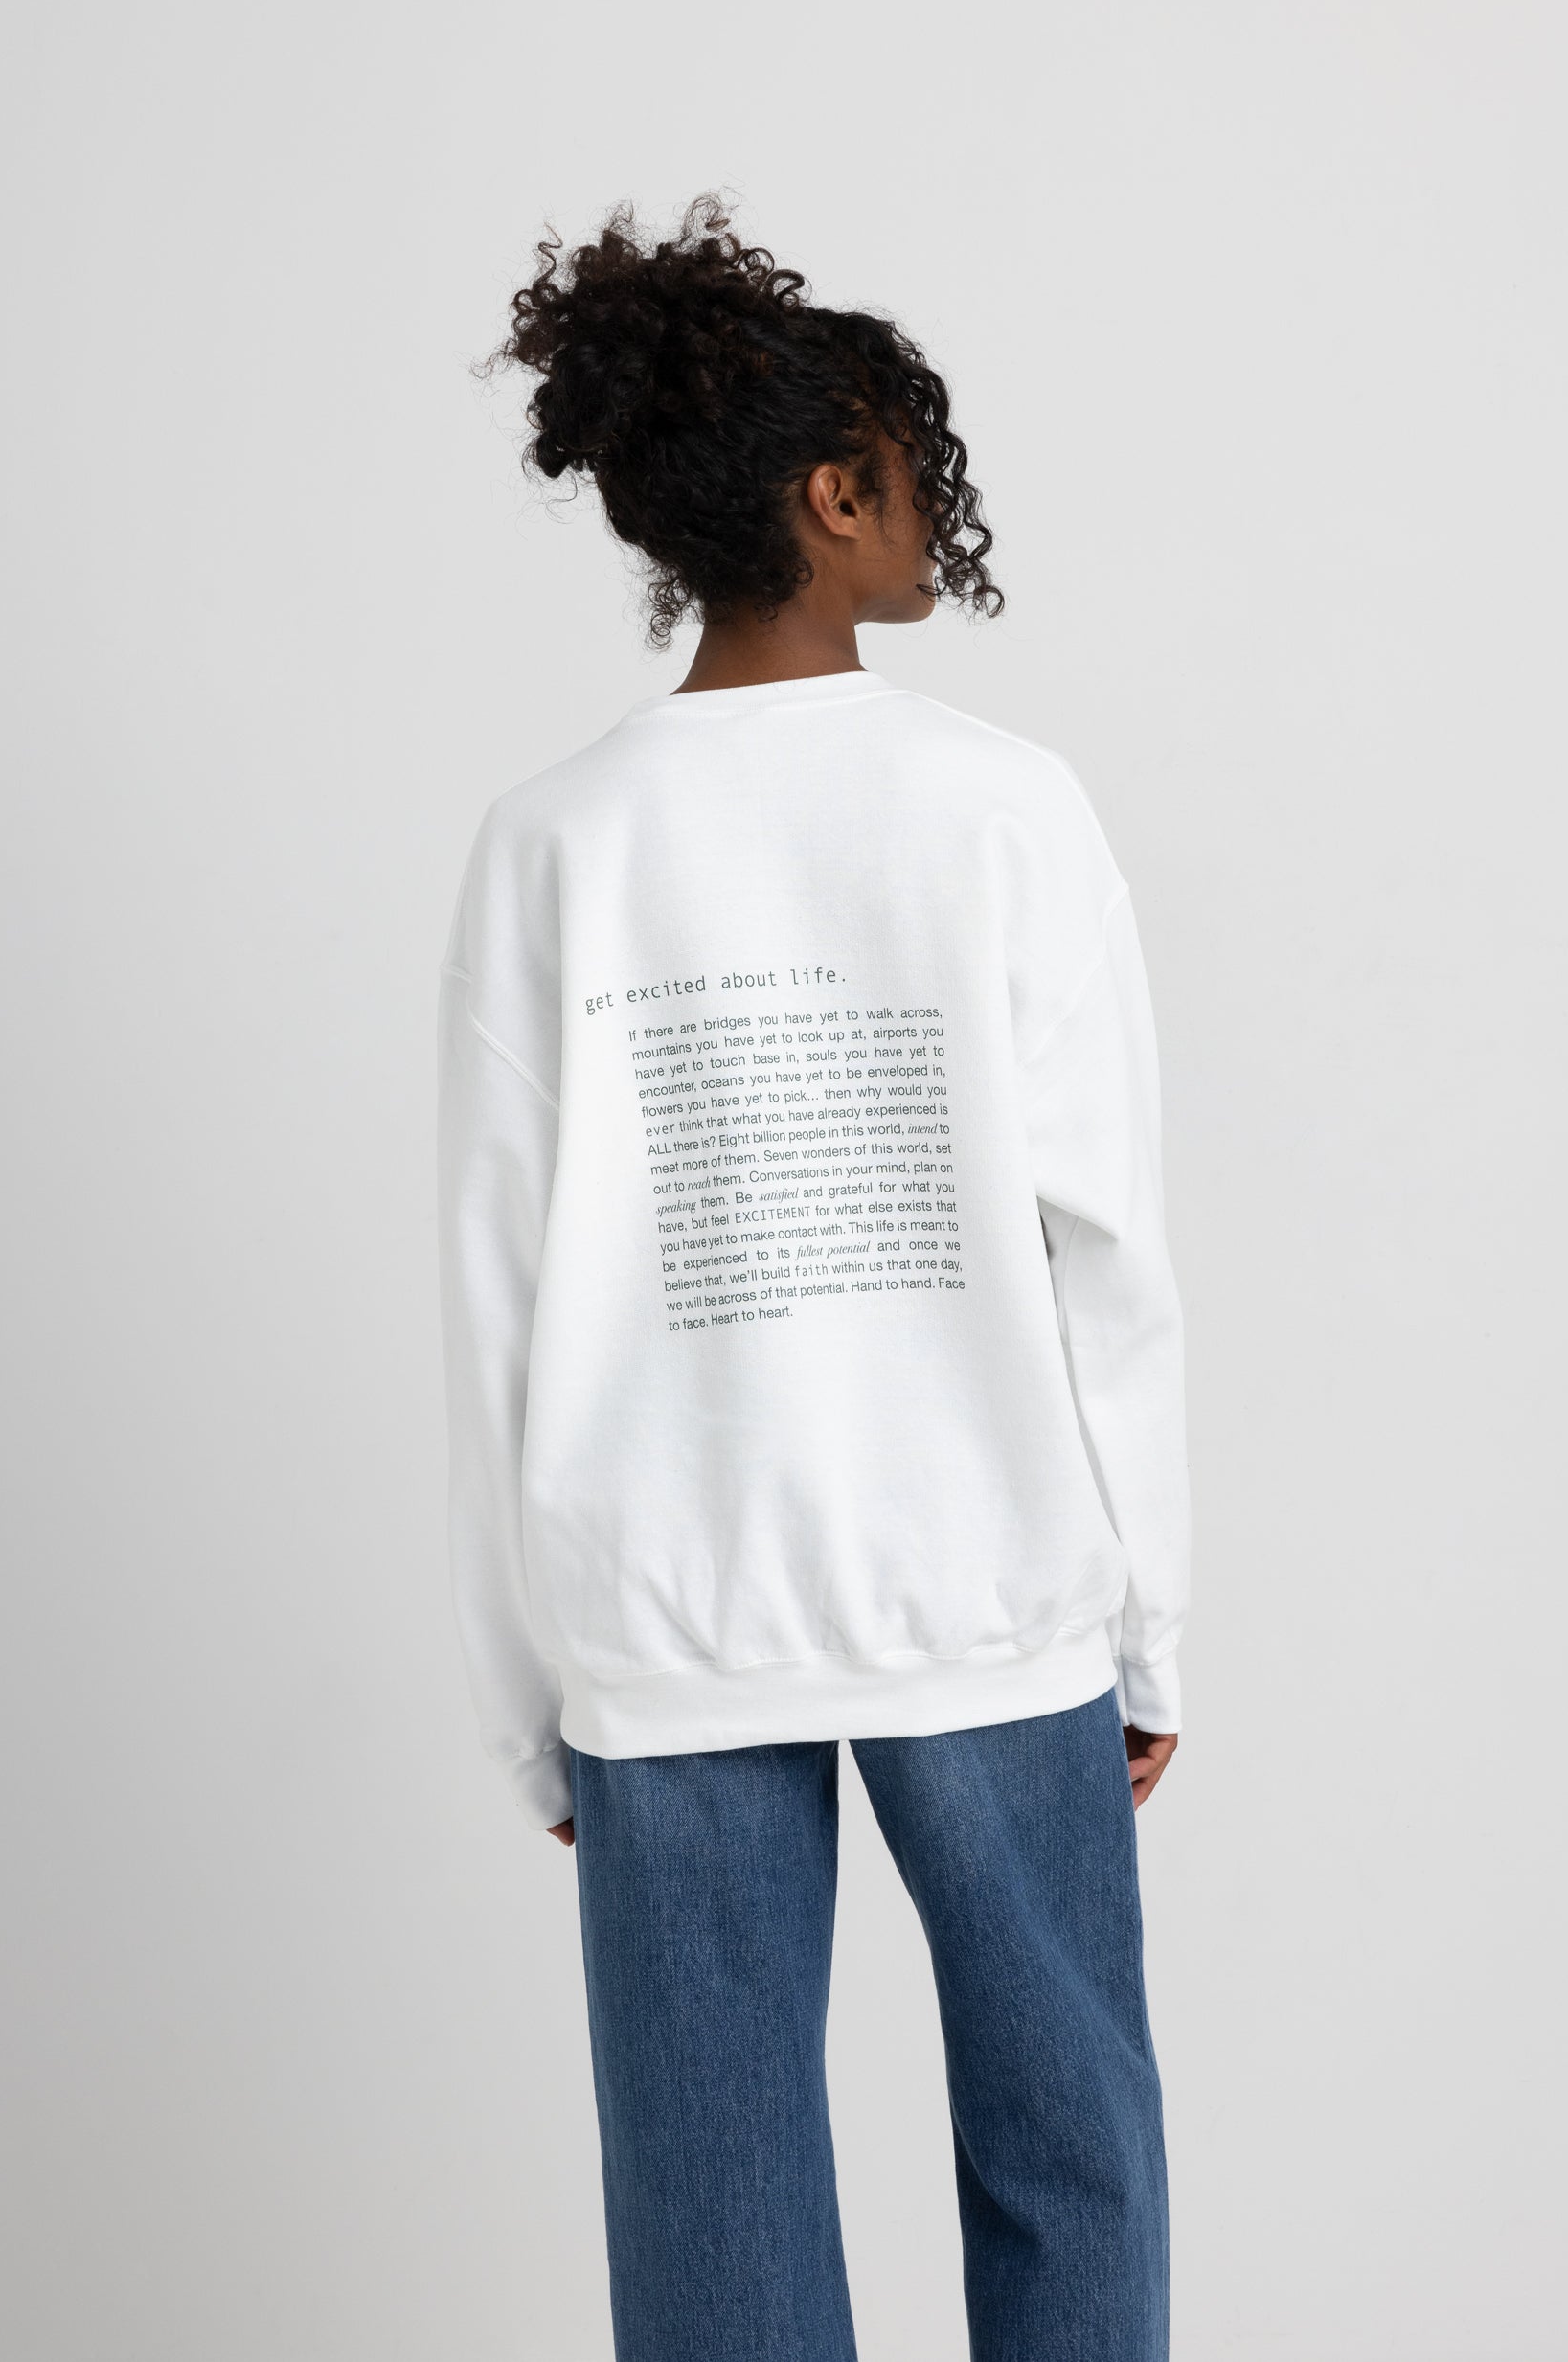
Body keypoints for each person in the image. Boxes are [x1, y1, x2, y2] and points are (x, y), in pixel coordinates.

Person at [438, 195, 1190, 2362]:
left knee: (710, 2180)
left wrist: (531, 1694)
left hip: (662, 1602)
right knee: (1069, 2134)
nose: (936, 504)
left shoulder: (554, 840)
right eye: (911, 463)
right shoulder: (1004, 807)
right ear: (834, 491)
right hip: (988, 1576)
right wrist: (1147, 1616)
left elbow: (494, 1293)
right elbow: (1105, 1244)